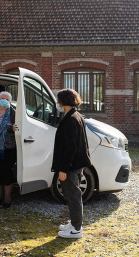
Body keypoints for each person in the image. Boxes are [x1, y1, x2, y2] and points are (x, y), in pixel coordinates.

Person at [52, 88, 92, 239]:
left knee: (73, 196)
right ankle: (75, 223)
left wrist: (63, 168)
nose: (57, 102)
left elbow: (70, 148)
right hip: (75, 164)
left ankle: (76, 229)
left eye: (58, 100)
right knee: (71, 195)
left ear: (64, 101)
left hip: (71, 166)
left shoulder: (71, 119)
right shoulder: (75, 116)